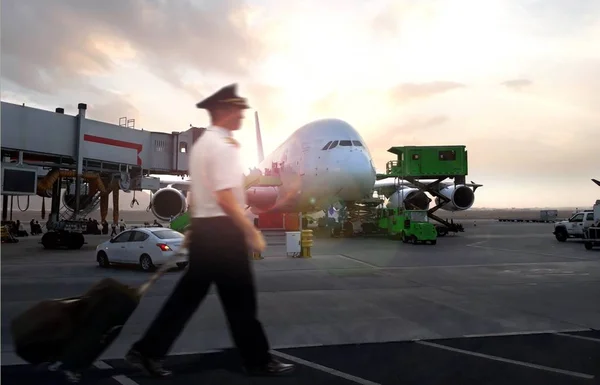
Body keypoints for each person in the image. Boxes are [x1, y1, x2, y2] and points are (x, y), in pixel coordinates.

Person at [124, 84, 295, 378]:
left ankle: (147, 351)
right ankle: (257, 361)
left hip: (207, 232)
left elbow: (205, 194)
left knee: (188, 298)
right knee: (241, 301)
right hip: (223, 234)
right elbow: (226, 195)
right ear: (223, 111)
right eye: (237, 108)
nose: (241, 113)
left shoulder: (203, 144)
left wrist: (198, 227)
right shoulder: (223, 146)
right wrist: (249, 230)